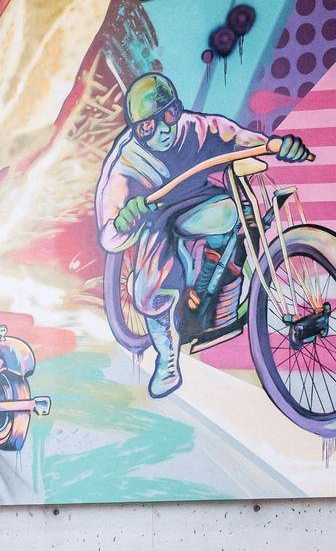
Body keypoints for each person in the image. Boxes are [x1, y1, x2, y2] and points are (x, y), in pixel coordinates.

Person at [95, 72, 309, 398]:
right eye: (148, 126)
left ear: (177, 110)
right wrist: (124, 220)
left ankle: (216, 281)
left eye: (168, 115)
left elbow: (237, 138)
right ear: (137, 130)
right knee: (150, 290)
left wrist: (275, 146)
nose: (163, 130)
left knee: (230, 212)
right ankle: (167, 359)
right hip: (156, 217)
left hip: (199, 201)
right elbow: (108, 232)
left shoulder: (195, 128)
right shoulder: (125, 164)